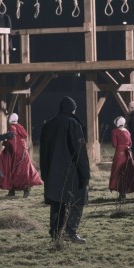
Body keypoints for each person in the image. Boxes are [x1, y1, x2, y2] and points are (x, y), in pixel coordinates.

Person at [39, 96, 91, 244]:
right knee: (78, 200)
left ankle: (55, 234)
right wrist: (85, 172)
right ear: (72, 109)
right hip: (71, 172)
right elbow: (79, 151)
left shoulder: (48, 125)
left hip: (53, 172)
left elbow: (43, 153)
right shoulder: (73, 123)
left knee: (57, 202)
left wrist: (45, 173)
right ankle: (70, 231)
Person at [0, 113, 43, 198]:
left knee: (11, 170)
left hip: (14, 152)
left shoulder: (12, 127)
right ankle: (15, 190)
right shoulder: (19, 126)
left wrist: (6, 144)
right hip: (23, 152)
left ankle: (21, 188)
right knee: (22, 171)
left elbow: (13, 141)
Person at [109, 116, 134, 200]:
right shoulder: (127, 132)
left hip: (120, 153)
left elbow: (114, 144)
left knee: (118, 172)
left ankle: (122, 194)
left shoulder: (115, 131)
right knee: (129, 173)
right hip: (128, 153)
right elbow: (130, 143)